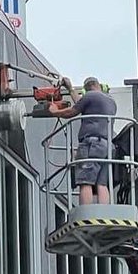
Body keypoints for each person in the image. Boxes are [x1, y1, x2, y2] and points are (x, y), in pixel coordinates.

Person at [51, 76, 117, 205]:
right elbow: (81, 103)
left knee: (85, 181)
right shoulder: (110, 101)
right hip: (106, 146)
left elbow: (72, 111)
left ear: (87, 89)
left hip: (91, 144)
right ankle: (102, 212)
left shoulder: (90, 96)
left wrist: (55, 112)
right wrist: (70, 88)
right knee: (101, 184)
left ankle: (85, 212)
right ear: (99, 85)